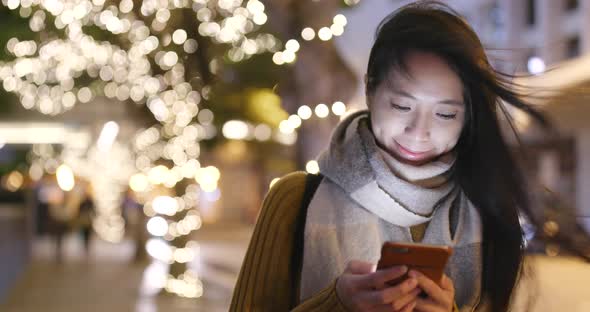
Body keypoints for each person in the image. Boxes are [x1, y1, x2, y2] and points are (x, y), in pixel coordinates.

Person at [230, 1, 589, 311]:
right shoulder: (295, 200)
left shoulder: (489, 210)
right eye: (402, 105)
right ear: (370, 90)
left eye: (446, 114)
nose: (419, 132)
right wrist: (337, 304)